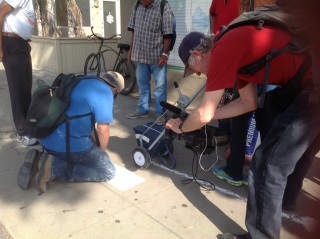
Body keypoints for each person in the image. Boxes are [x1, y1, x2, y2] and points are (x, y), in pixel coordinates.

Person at [166, 11, 319, 239]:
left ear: (197, 54)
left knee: (267, 165)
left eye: (195, 69)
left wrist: (183, 126)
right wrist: (201, 116)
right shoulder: (233, 50)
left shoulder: (223, 50)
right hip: (311, 82)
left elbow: (205, 114)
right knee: (295, 156)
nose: (198, 73)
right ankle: (279, 211)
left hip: (313, 86)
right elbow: (248, 103)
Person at [17, 71, 124, 194]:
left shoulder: (81, 80)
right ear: (115, 90)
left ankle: (42, 157)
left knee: (84, 152)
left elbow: (77, 117)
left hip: (46, 136)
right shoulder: (105, 92)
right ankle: (52, 168)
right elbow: (103, 130)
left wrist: (93, 143)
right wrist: (101, 153)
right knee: (108, 171)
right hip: (65, 144)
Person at [126, 0, 174, 125]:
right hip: (140, 55)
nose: (142, 1)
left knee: (160, 87)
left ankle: (160, 112)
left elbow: (168, 33)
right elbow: (133, 31)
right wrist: (131, 50)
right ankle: (142, 109)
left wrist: (164, 54)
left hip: (157, 56)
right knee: (142, 84)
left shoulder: (163, 6)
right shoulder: (137, 5)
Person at [0, 0, 37, 146]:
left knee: (25, 88)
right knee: (18, 90)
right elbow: (0, 13)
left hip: (20, 44)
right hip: (12, 43)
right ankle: (22, 133)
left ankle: (27, 127)